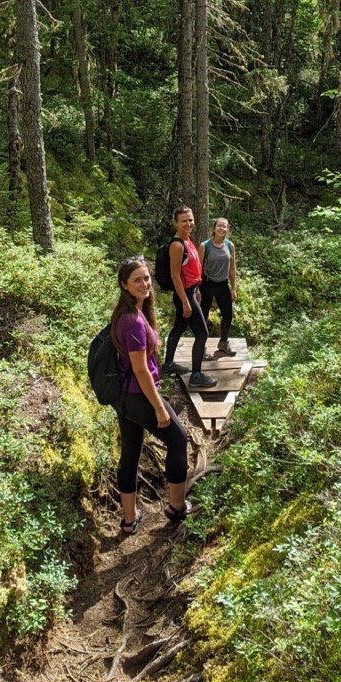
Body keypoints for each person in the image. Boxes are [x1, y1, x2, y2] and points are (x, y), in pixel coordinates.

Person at [111, 257, 192, 534]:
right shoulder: (133, 321)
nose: (145, 283)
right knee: (178, 440)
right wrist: (158, 407)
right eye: (137, 280)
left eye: (146, 278)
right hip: (138, 395)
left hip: (124, 398)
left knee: (131, 453)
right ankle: (177, 507)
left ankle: (129, 520)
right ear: (124, 285)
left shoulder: (129, 312)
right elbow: (141, 370)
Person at [160, 206, 218, 388]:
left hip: (191, 291)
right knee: (202, 334)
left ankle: (168, 364)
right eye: (184, 220)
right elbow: (175, 276)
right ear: (176, 222)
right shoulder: (177, 245)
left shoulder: (188, 240)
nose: (188, 223)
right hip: (184, 295)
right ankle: (196, 376)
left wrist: (198, 289)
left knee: (179, 326)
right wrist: (186, 301)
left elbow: (191, 271)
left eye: (190, 219)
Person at [198, 217, 237, 357]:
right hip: (206, 284)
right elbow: (198, 269)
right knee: (203, 315)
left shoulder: (230, 246)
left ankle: (223, 342)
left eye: (224, 226)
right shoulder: (205, 246)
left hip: (223, 284)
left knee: (228, 315)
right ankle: (201, 347)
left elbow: (232, 269)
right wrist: (197, 288)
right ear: (214, 228)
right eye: (219, 226)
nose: (221, 228)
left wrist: (233, 288)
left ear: (227, 230)